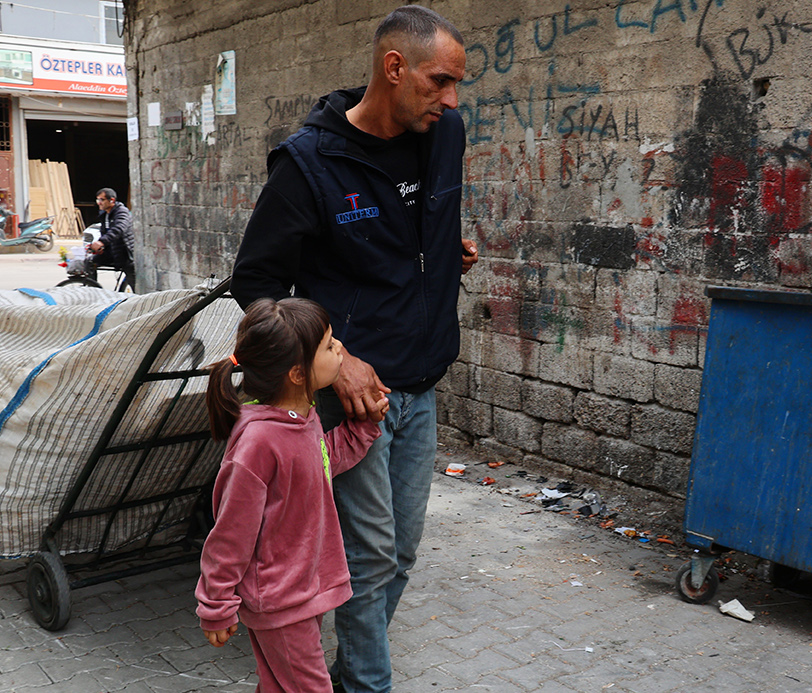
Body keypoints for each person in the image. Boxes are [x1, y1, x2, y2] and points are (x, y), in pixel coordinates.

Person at [229, 6, 477, 692]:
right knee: (367, 561)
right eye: (440, 80)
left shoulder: (444, 131)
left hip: (420, 379)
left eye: (457, 85)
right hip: (350, 397)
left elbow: (422, 217)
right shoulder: (309, 163)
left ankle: (341, 672)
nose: (452, 99)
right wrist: (334, 358)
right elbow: (254, 280)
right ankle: (368, 683)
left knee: (399, 554)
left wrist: (443, 252)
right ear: (394, 67)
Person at [196, 297, 388, 693]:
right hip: (280, 601)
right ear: (298, 373)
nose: (340, 350)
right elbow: (231, 533)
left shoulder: (302, 418)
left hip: (302, 589)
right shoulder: (258, 443)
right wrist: (216, 605)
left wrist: (363, 427)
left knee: (280, 686)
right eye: (330, 345)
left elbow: (321, 463)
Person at [76, 188, 135, 290]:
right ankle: (93, 289)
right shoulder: (105, 214)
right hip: (111, 252)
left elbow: (118, 229)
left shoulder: (121, 212)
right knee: (90, 262)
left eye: (102, 200)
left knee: (133, 281)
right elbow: (104, 232)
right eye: (97, 200)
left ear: (111, 200)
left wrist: (102, 242)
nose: (99, 203)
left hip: (124, 253)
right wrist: (100, 247)